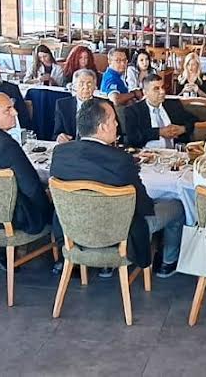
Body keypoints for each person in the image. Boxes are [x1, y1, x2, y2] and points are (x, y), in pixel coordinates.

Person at [49, 99, 184, 276]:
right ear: (102, 127)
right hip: (118, 232)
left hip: (74, 230)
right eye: (113, 120)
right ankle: (168, 262)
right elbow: (143, 206)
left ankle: (106, 266)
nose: (117, 125)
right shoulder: (120, 160)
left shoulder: (60, 153)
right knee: (177, 205)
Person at [0, 92, 53, 235]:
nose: (15, 112)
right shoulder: (6, 144)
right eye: (8, 110)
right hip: (12, 215)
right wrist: (48, 207)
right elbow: (31, 187)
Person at [122, 75, 196, 149]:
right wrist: (159, 132)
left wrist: (183, 129)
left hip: (175, 152)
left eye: (163, 87)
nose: (162, 91)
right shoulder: (133, 111)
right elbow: (133, 137)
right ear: (145, 92)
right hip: (147, 153)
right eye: (156, 89)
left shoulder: (173, 105)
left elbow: (193, 120)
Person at [53, 69, 112, 142]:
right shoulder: (62, 105)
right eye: (81, 83)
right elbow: (57, 133)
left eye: (89, 83)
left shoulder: (104, 105)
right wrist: (59, 137)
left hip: (95, 146)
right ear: (74, 86)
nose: (86, 87)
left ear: (95, 87)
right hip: (71, 145)